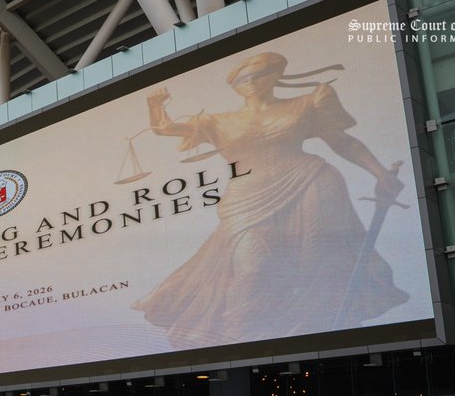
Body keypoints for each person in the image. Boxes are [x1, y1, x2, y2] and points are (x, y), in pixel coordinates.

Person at [136, 52, 409, 347]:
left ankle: (311, 336)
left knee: (315, 263)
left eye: (260, 74)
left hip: (310, 183)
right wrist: (155, 106)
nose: (251, 82)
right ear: (234, 85)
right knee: (251, 268)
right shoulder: (217, 121)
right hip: (246, 198)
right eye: (243, 79)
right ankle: (240, 341)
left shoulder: (307, 103)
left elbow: (343, 142)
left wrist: (381, 174)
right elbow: (164, 128)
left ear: (277, 74)